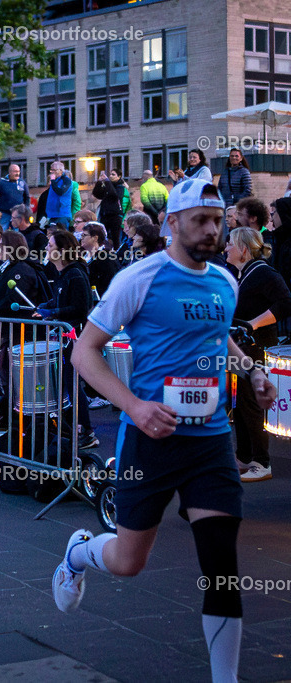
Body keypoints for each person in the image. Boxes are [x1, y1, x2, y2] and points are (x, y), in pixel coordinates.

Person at [63, 178, 276, 683]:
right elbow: (83, 352)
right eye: (200, 220)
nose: (211, 230)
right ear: (171, 223)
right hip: (150, 442)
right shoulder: (138, 279)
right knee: (128, 562)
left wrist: (252, 371)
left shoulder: (224, 282)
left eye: (218, 220)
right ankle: (78, 553)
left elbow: (218, 338)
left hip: (211, 443)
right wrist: (135, 407)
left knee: (221, 564)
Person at [225, 227, 291, 482]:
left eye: (230, 244)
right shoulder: (241, 274)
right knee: (239, 402)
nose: (226, 248)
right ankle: (244, 456)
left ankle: (262, 462)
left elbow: (286, 303)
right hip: (239, 347)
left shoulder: (263, 272)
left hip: (256, 346)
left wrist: (252, 324)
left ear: (243, 248)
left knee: (251, 403)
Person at [37, 230, 97, 449]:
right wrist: (48, 306)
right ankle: (73, 428)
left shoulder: (76, 274)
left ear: (62, 251)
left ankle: (87, 431)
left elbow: (81, 308)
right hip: (65, 338)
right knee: (67, 384)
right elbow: (62, 299)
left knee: (73, 384)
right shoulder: (63, 274)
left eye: (50, 245)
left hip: (75, 337)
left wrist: (54, 313)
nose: (46, 248)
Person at [93, 170, 127, 248]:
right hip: (105, 215)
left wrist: (107, 182)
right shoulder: (107, 186)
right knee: (103, 236)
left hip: (115, 216)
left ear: (119, 177)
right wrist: (99, 182)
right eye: (110, 174)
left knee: (116, 238)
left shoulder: (121, 187)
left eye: (113, 174)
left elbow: (114, 195)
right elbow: (97, 194)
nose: (111, 176)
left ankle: (116, 251)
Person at [0, 164, 30, 229]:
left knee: (18, 232)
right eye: (15, 171)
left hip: (18, 214)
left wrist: (26, 209)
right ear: (10, 172)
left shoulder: (22, 183)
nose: (17, 173)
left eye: (18, 171)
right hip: (5, 213)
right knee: (2, 231)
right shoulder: (2, 183)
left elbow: (27, 197)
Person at [45, 162, 77, 231]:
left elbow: (60, 192)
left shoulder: (66, 180)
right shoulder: (55, 181)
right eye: (51, 170)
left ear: (60, 170)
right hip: (52, 214)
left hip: (62, 214)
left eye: (54, 170)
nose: (52, 172)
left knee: (62, 234)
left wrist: (52, 181)